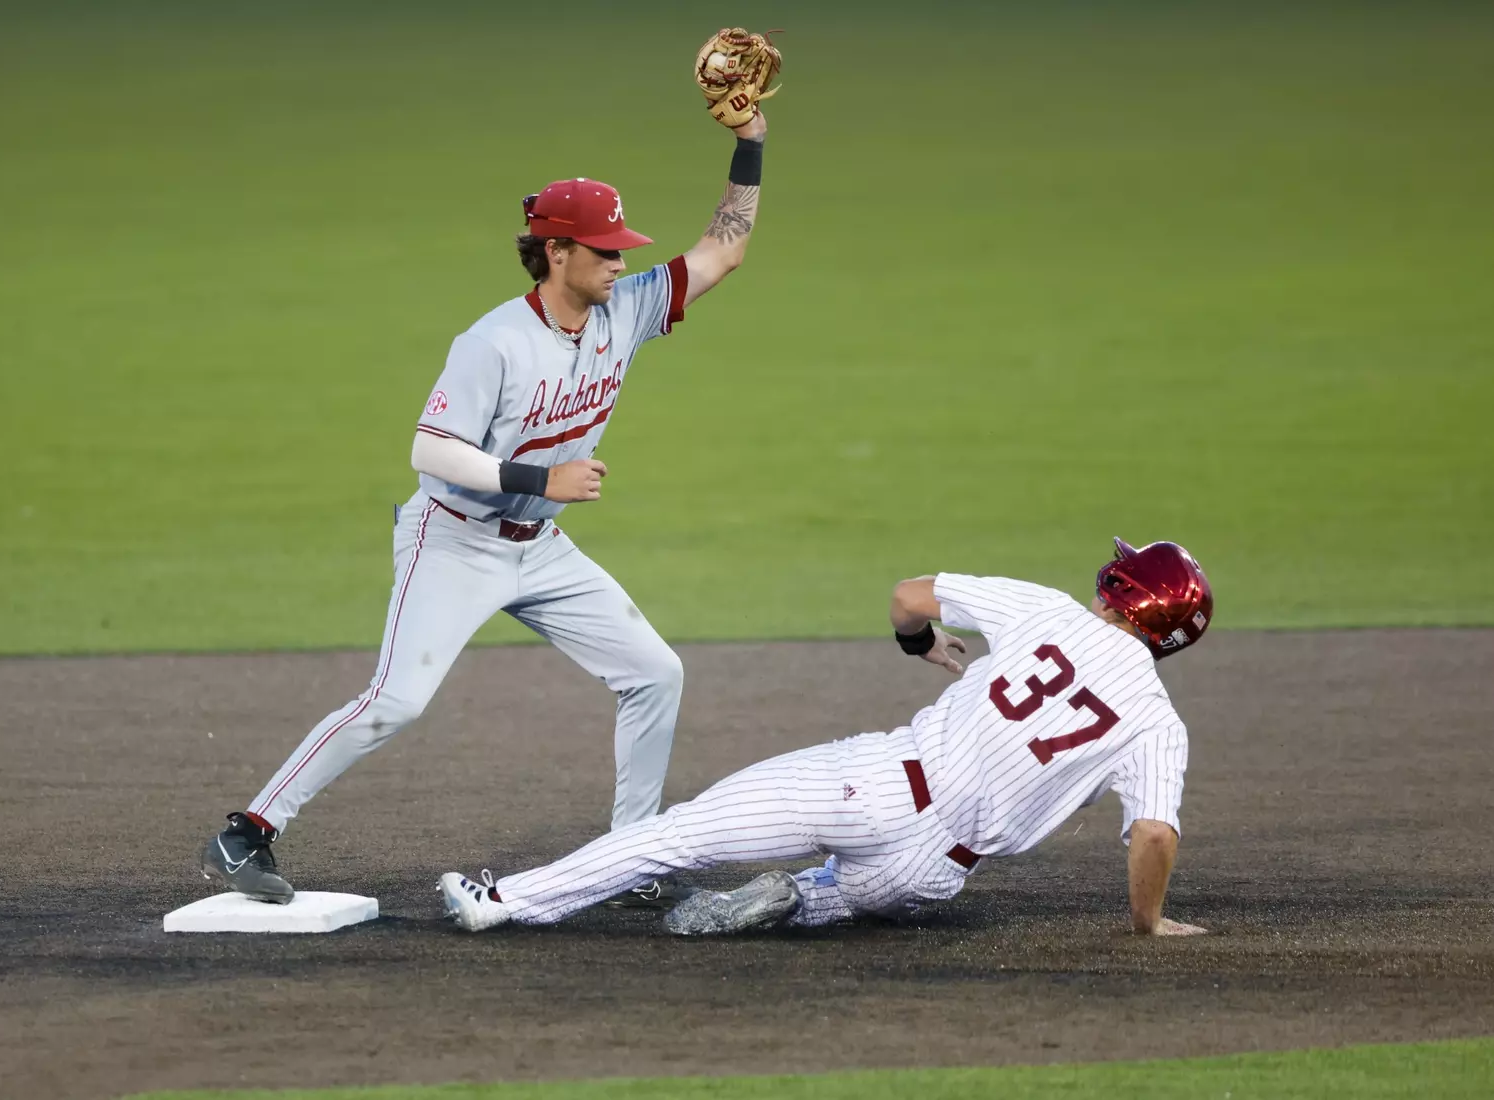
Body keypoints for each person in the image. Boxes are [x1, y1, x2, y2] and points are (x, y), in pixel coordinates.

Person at [200, 111, 774, 906]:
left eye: (620, 249)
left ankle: (631, 855)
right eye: (604, 248)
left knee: (654, 674)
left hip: (539, 548)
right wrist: (544, 480)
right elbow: (430, 450)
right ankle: (246, 833)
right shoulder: (494, 342)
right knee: (395, 701)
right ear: (556, 252)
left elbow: (724, 250)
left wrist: (750, 142)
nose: (618, 260)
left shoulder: (627, 310)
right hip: (454, 541)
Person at [438, 538, 1214, 936]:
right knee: (851, 892)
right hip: (930, 876)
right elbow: (1152, 833)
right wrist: (1146, 925)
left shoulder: (1047, 611)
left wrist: (921, 646)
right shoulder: (1157, 720)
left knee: (679, 835)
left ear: (1125, 593)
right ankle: (798, 899)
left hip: (878, 789)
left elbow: (909, 596)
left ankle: (505, 901)